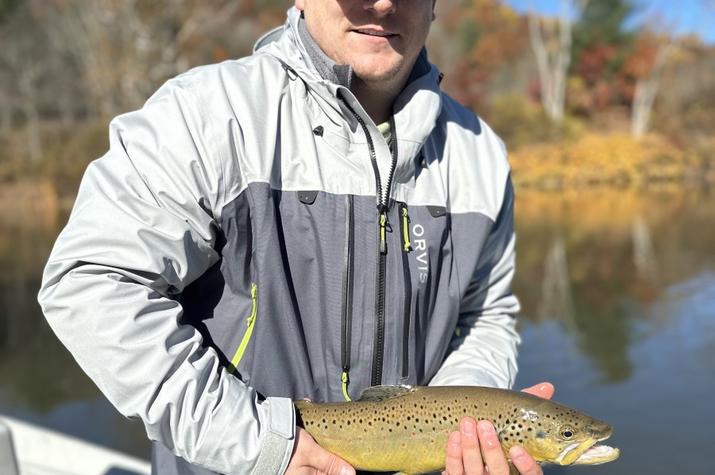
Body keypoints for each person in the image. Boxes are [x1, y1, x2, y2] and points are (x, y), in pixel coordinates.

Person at [38, 1, 553, 474]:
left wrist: (468, 432)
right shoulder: (205, 114)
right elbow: (89, 282)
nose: (381, 2)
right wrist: (257, 443)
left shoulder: (480, 154)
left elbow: (485, 314)